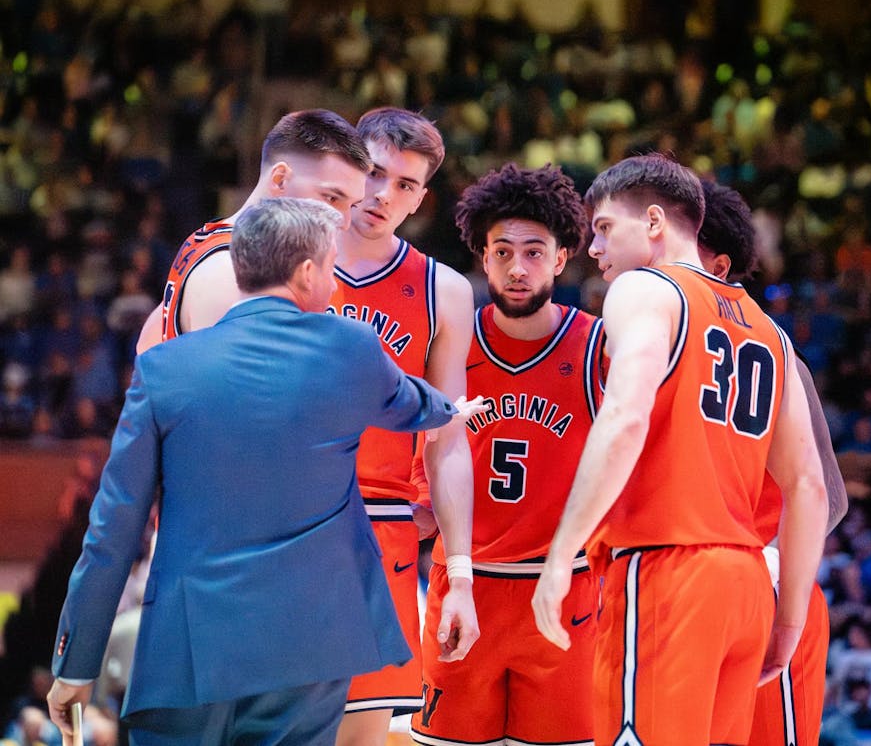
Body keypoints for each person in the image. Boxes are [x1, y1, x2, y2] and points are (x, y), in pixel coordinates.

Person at [45, 198, 476, 745]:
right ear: (308, 273)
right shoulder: (350, 349)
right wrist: (452, 411)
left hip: (188, 646)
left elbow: (112, 530)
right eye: (331, 267)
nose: (335, 284)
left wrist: (76, 663)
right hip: (309, 647)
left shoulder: (162, 370)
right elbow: (413, 403)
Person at [532, 153, 828, 745]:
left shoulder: (645, 288)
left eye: (604, 228)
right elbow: (809, 486)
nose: (594, 248)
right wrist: (789, 620)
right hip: (746, 585)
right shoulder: (769, 329)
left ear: (653, 222)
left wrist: (561, 553)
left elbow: (625, 416)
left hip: (666, 571)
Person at [409, 163, 603, 746]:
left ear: (562, 258)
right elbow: (422, 491)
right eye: (502, 252)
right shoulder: (449, 343)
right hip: (463, 584)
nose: (518, 268)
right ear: (483, 257)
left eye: (534, 252)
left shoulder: (599, 347)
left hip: (565, 589)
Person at [325, 107, 479, 746]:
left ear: (420, 199)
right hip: (279, 519)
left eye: (405, 185)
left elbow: (450, 439)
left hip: (379, 526)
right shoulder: (278, 257)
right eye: (374, 172)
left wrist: (461, 574)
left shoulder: (444, 290)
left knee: (360, 738)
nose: (383, 194)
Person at [696, 179, 848, 746]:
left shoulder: (772, 348)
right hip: (693, 595)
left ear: (717, 264)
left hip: (768, 590)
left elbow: (829, 495)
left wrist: (774, 569)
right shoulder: (655, 344)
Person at [134, 108, 370, 354]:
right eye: (332, 198)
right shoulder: (231, 271)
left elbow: (147, 343)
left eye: (352, 205)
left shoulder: (216, 241)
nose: (344, 222)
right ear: (279, 179)